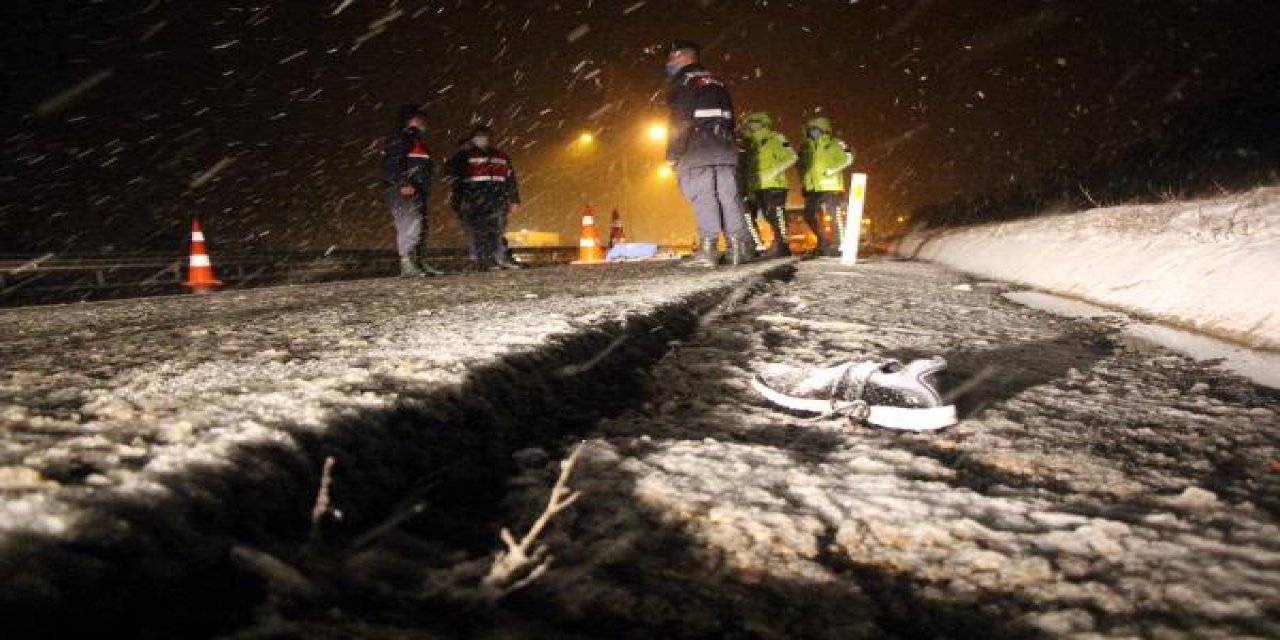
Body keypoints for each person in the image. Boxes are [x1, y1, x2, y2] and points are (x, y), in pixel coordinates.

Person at [664, 40, 752, 267]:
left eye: (672, 58)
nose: (669, 63)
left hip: (697, 150)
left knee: (704, 197)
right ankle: (738, 250)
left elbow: (681, 121)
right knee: (728, 197)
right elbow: (730, 119)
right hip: (724, 149)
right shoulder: (717, 81)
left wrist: (673, 153)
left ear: (683, 57)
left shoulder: (684, 82)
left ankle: (708, 251)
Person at [445, 124, 522, 271]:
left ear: (489, 139)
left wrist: (514, 199)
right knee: (478, 231)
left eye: (484, 137)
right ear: (473, 139)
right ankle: (482, 260)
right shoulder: (465, 155)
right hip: (474, 199)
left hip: (497, 199)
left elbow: (511, 179)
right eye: (478, 137)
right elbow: (451, 173)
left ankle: (497, 258)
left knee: (497, 230)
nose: (481, 139)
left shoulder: (502, 157)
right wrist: (459, 200)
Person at [382, 105, 444, 276]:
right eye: (419, 119)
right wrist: (403, 183)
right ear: (409, 120)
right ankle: (407, 264)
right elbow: (393, 163)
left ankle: (418, 262)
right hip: (403, 189)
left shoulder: (416, 140)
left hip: (418, 190)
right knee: (410, 225)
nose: (423, 123)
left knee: (421, 226)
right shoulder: (400, 137)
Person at [741, 110, 798, 257]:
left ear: (764, 123)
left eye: (757, 122)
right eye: (751, 122)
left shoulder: (776, 138)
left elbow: (792, 156)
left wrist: (774, 171)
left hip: (774, 184)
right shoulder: (748, 144)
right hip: (755, 186)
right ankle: (757, 245)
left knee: (774, 214)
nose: (753, 125)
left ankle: (782, 245)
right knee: (749, 214)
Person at [799, 116, 854, 256]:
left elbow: (849, 158)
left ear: (824, 130)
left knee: (834, 216)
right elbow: (803, 167)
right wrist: (805, 184)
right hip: (813, 189)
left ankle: (839, 244)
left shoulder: (836, 143)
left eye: (815, 129)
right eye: (810, 130)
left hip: (831, 187)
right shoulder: (807, 147)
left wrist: (832, 170)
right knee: (809, 215)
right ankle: (823, 242)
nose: (812, 132)